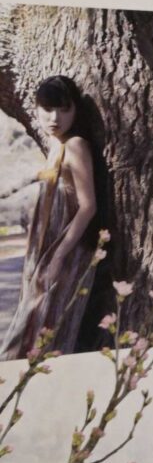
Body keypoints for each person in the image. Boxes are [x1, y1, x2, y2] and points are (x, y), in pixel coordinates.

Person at [1, 76, 101, 359]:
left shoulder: (76, 145)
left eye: (64, 109)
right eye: (47, 109)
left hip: (66, 249)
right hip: (46, 246)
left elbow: (88, 206)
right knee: (32, 322)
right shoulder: (57, 144)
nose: (55, 118)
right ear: (36, 109)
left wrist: (58, 256)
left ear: (75, 111)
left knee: (47, 327)